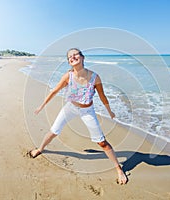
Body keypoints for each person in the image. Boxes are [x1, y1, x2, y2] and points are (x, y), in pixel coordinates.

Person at [28, 48, 128, 185]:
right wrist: (42, 105)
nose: (72, 57)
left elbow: (102, 96)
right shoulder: (67, 76)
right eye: (69, 56)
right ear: (69, 62)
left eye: (75, 54)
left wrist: (109, 111)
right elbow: (55, 91)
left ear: (82, 57)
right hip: (70, 108)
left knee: (102, 142)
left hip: (88, 111)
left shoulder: (95, 77)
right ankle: (40, 149)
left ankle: (118, 168)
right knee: (53, 132)